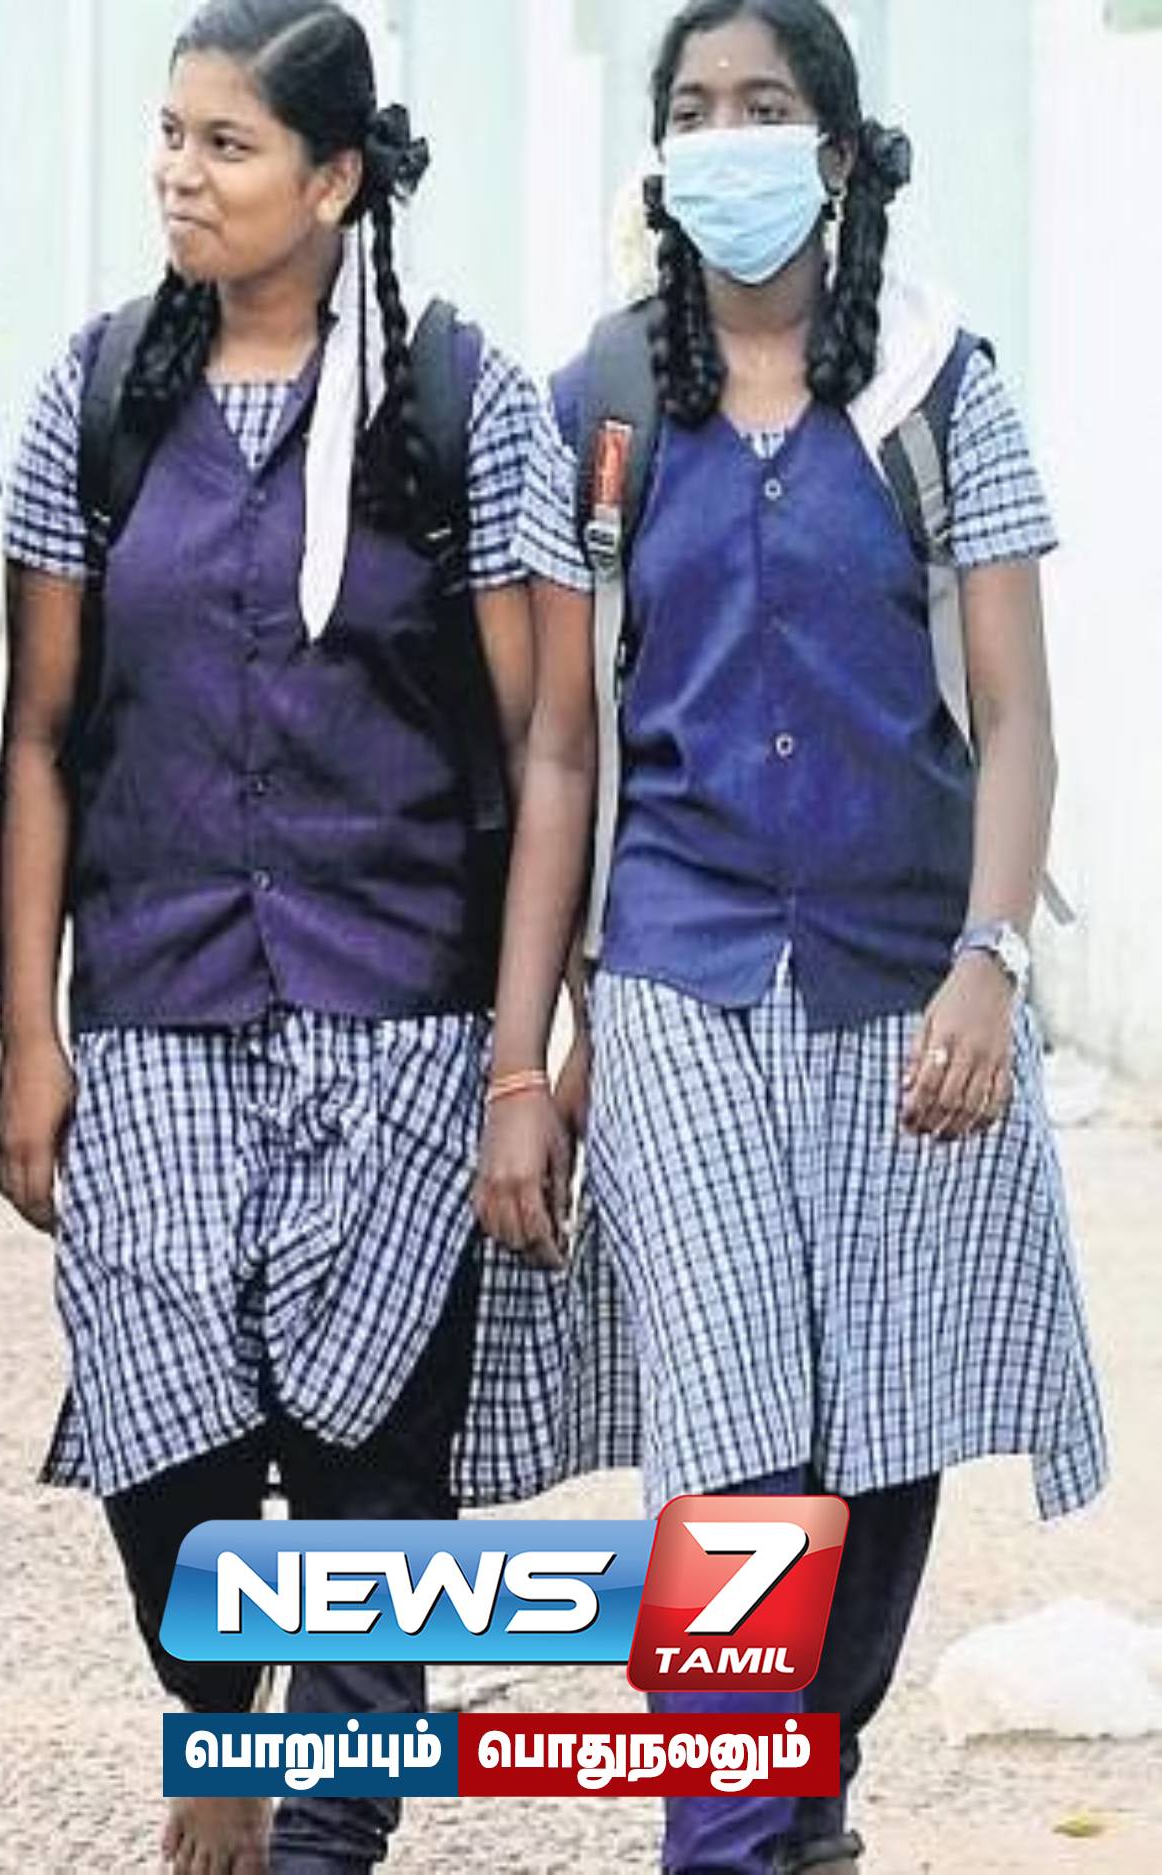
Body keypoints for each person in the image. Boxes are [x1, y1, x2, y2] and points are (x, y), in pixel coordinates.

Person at [0, 4, 601, 1870]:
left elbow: (546, 743)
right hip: (156, 1004)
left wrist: (522, 1058)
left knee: (369, 1490)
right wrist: (31, 1034)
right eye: (168, 136)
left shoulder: (457, 405)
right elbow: (35, 735)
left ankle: (329, 1832)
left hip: (396, 1015)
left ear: (331, 182)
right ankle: (215, 1712)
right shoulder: (96, 394)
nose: (178, 175)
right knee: (161, 1445)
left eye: (225, 145)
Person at [500, 4, 1109, 1869]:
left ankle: (801, 1793)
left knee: (878, 1428)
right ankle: (726, 1834)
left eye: (761, 106)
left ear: (835, 155)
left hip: (900, 985)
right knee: (731, 1436)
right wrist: (523, 1053)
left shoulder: (938, 389)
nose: (724, 139)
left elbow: (1012, 714)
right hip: (675, 977)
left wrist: (988, 957)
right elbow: (556, 746)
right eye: (691, 109)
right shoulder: (601, 401)